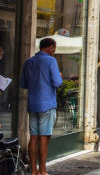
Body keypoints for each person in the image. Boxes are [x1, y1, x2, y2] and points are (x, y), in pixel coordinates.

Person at [20, 37, 62, 175]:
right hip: (47, 104)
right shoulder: (51, 61)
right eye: (53, 49)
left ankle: (33, 171)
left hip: (33, 104)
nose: (54, 52)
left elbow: (24, 84)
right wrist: (59, 76)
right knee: (44, 137)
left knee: (34, 137)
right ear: (50, 47)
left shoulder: (28, 62)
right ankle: (43, 171)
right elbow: (57, 83)